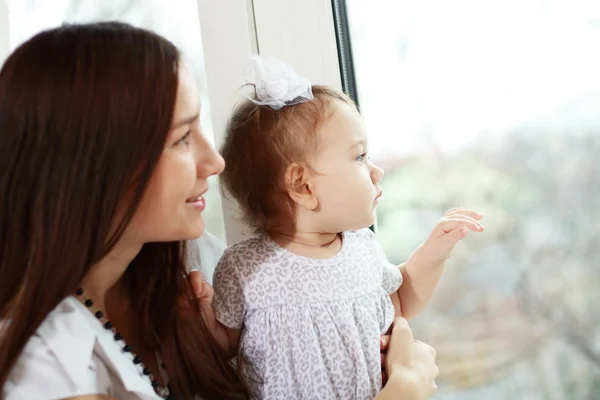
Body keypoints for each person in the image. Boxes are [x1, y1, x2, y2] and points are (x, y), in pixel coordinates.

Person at [0, 22, 439, 400]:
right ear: (93, 168)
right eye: (181, 139)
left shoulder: (203, 265)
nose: (215, 162)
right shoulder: (48, 365)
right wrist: (405, 387)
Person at [211, 56, 483, 399]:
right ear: (303, 186)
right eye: (359, 157)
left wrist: (432, 256)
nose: (376, 171)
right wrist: (195, 320)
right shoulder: (243, 269)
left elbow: (399, 299)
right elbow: (217, 352)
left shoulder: (362, 248)